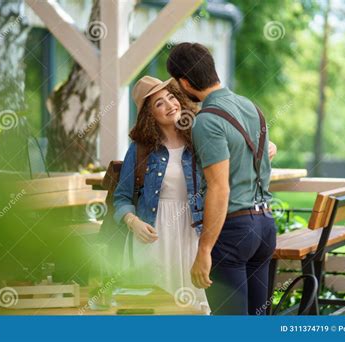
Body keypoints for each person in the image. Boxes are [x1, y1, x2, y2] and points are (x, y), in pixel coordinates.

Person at [113, 75, 277, 314]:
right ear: (149, 114)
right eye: (159, 103)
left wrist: (267, 147)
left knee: (198, 308)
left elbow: (229, 166)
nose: (170, 105)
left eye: (171, 97)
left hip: (196, 234)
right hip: (156, 237)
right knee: (159, 308)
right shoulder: (140, 150)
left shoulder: (201, 135)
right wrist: (133, 221)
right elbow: (121, 197)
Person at [167, 42, 278, 315]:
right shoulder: (251, 107)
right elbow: (263, 154)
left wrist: (204, 249)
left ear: (184, 81)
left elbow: (219, 187)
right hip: (264, 226)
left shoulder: (207, 121)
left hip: (234, 233)